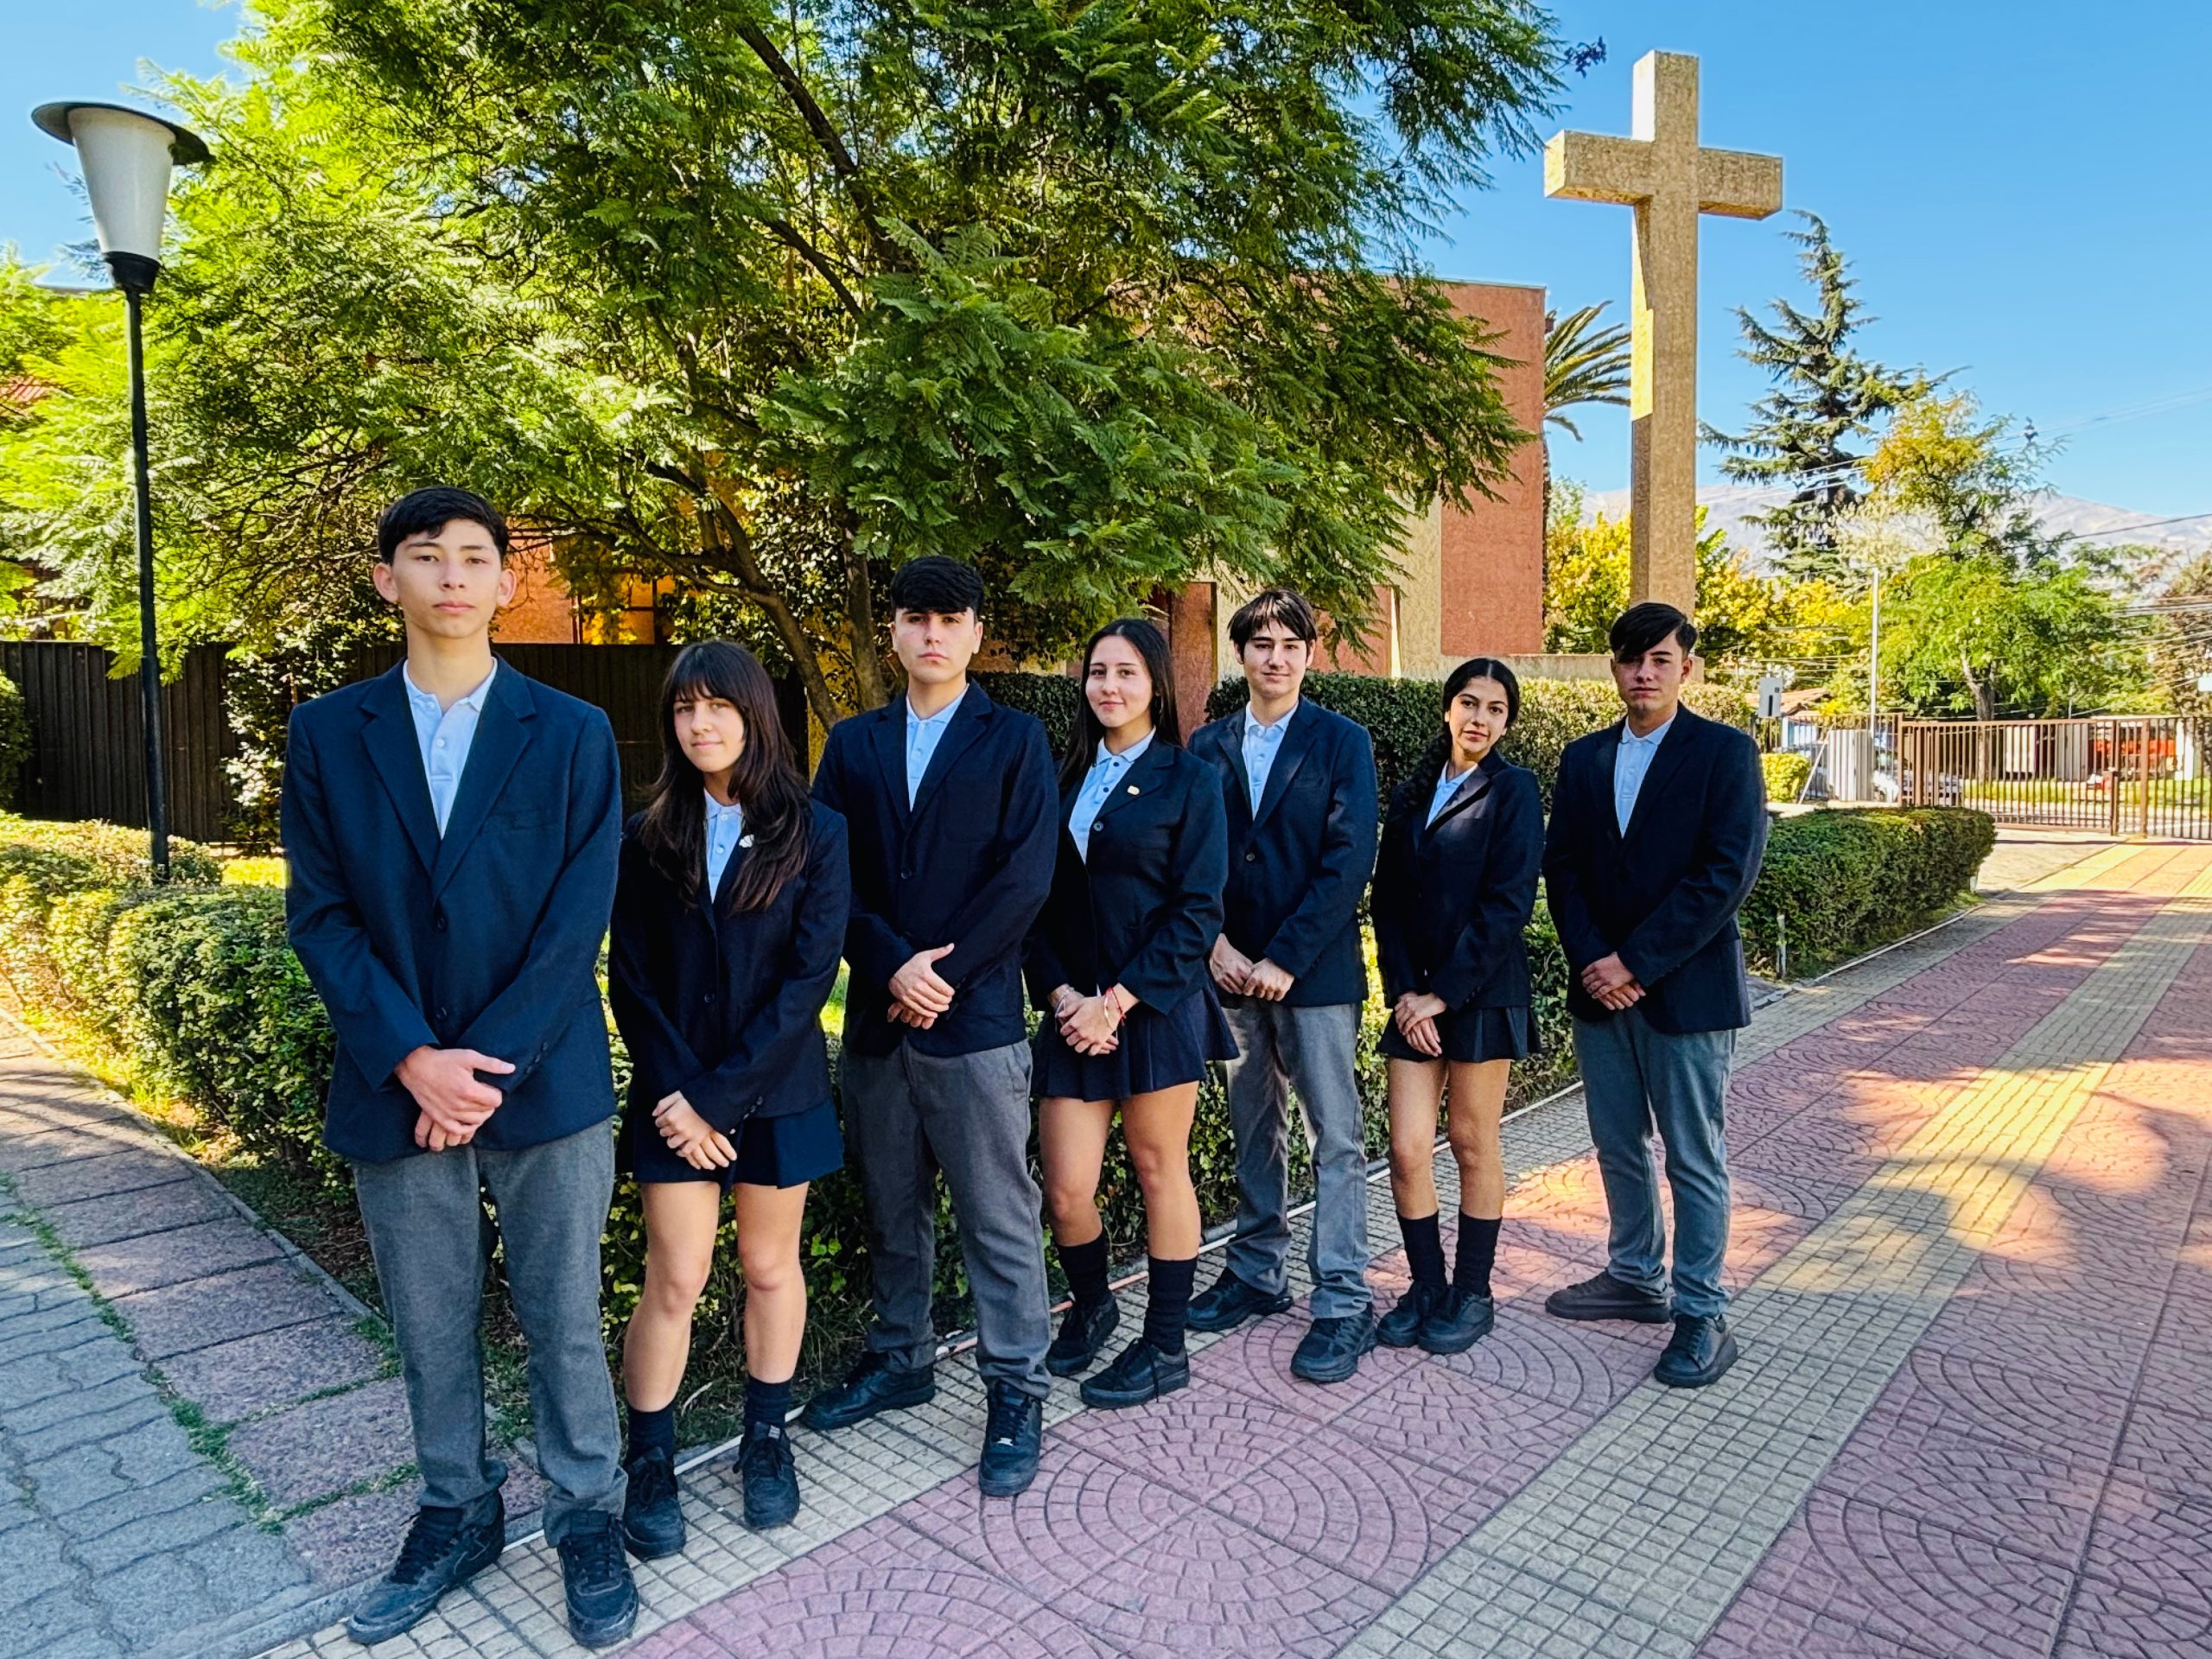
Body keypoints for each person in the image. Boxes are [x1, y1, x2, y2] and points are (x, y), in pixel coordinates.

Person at [281, 487, 637, 1648]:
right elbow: (323, 916)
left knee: (563, 1317)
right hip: (394, 1084)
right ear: (388, 580)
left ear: (503, 583)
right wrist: (413, 1060)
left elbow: (576, 918)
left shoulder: (573, 732)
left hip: (544, 1084)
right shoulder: (331, 732)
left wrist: (474, 1070)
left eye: (474, 558)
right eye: (424, 558)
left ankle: (586, 1512)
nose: (450, 577)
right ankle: (456, 1506)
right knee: (428, 1323)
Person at [804, 556, 1059, 1496]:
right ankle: (901, 1357)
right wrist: (888, 965)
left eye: (951, 618)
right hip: (879, 1020)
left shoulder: (1016, 740)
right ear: (896, 631)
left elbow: (1027, 880)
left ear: (976, 634)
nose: (932, 634)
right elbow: (827, 878)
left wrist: (938, 975)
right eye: (915, 617)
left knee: (998, 1214)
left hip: (975, 1022)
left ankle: (1016, 1387)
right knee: (891, 1207)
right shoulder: (853, 744)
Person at [607, 641, 849, 1553]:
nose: (700, 725)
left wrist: (720, 1098)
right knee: (675, 1276)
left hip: (773, 1091)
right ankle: (650, 1461)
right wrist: (681, 1095)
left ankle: (765, 1438)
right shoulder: (643, 834)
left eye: (719, 707)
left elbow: (806, 980)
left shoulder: (816, 833)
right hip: (673, 1097)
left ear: (755, 715)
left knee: (767, 1268)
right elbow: (629, 975)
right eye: (683, 709)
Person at [1540, 602, 1769, 1388]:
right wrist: (1595, 960)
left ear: (1686, 669)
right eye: (1632, 659)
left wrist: (1634, 961)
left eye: (1661, 660)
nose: (1644, 672)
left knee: (1693, 1155)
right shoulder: (1582, 759)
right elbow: (1562, 868)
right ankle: (1635, 1274)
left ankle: (1701, 1310)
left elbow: (1725, 875)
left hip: (1684, 993)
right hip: (1600, 992)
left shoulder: (1725, 753)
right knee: (1615, 1143)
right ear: (1613, 668)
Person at [1027, 620, 1233, 1408]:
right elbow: (1035, 904)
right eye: (1097, 672)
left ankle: (1166, 1344)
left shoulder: (1190, 779)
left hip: (1154, 1008)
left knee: (1157, 1170)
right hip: (1072, 1010)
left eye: (1127, 673)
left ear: (1154, 684)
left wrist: (1115, 1001)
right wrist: (1063, 997)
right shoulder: (1062, 774)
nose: (1109, 687)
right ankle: (1094, 1303)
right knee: (1066, 1187)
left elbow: (1197, 911)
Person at [1187, 589, 1382, 1384]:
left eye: (1290, 643)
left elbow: (1349, 861)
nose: (1275, 656)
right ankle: (1258, 1269)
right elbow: (1190, 859)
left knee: (1334, 1136)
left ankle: (1343, 1298)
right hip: (1230, 971)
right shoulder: (1205, 746)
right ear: (1242, 655)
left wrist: (1285, 959)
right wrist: (1217, 947)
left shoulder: (1343, 743)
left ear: (1310, 653)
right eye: (1260, 643)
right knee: (1251, 1126)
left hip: (1314, 976)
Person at [1370, 658, 1543, 1355]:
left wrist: (1443, 994)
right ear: (1447, 709)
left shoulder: (1515, 790)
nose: (1479, 718)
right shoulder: (1413, 795)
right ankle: (1426, 1286)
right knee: (1408, 1149)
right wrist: (1408, 994)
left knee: (1474, 1143)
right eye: (1469, 703)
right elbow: (1386, 902)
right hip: (1416, 1000)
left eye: (1495, 710)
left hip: (1481, 996)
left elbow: (1508, 906)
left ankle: (1472, 1291)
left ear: (1506, 722)